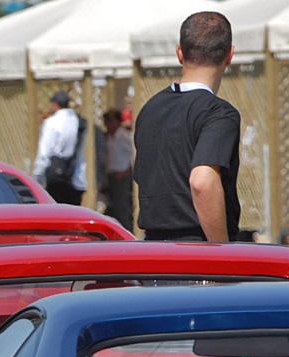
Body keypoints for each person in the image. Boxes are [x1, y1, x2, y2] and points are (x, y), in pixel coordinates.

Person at [133, 11, 239, 242]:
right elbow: (202, 182)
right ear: (229, 54)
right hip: (198, 252)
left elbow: (145, 178)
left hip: (151, 250)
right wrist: (222, 253)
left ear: (180, 52)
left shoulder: (149, 109)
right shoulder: (219, 114)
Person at [33, 90, 86, 205]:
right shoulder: (78, 121)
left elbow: (44, 153)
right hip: (75, 175)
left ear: (55, 104)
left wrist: (37, 175)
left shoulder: (52, 122)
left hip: (55, 177)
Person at [102, 109, 134, 230]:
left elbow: (134, 156)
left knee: (121, 208)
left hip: (122, 176)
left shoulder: (125, 137)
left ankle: (127, 232)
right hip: (111, 175)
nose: (109, 124)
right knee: (112, 208)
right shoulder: (108, 137)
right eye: (107, 121)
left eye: (112, 121)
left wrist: (126, 172)